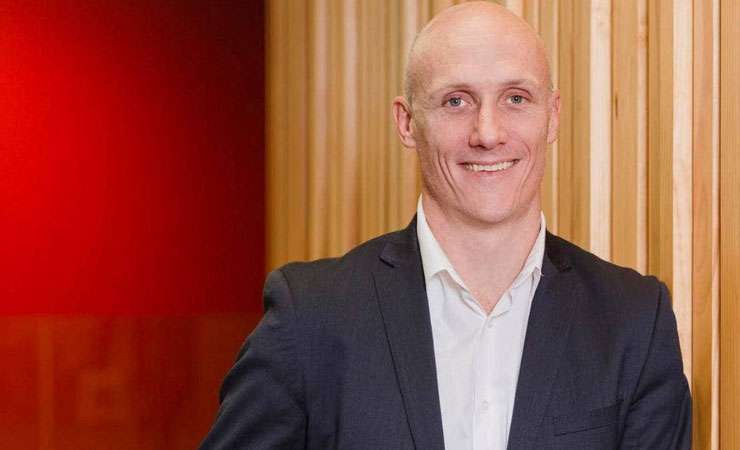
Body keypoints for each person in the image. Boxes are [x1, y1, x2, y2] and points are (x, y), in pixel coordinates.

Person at [200, 2, 691, 449]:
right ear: (408, 122)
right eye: (456, 101)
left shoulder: (633, 321)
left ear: (553, 117)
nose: (488, 133)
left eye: (516, 98)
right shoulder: (311, 315)